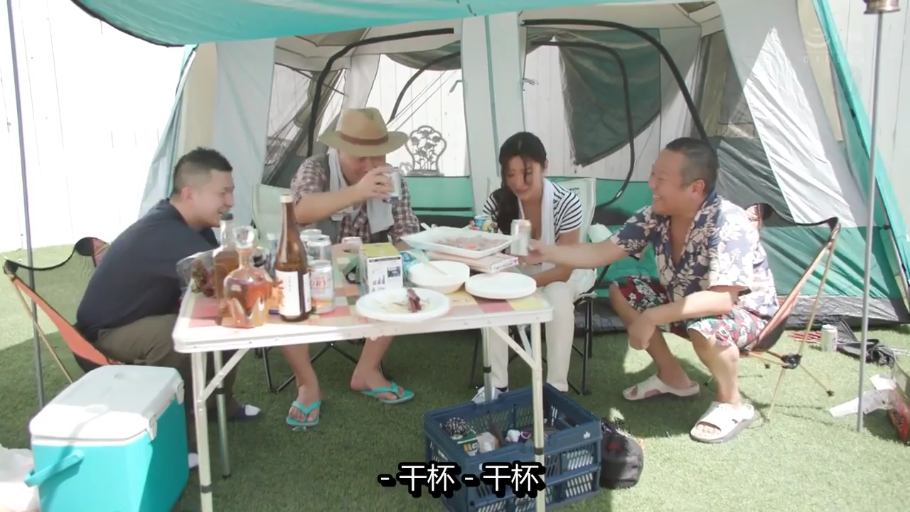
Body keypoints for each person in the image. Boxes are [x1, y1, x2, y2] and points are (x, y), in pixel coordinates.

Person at [523, 137, 779, 444]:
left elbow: (722, 299)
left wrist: (651, 317)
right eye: (653, 174)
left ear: (695, 188)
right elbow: (602, 251)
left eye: (662, 179)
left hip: (745, 314)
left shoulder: (727, 221)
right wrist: (546, 252)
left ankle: (732, 402)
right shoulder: (655, 215)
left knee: (706, 329)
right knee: (623, 290)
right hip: (683, 300)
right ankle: (674, 378)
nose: (651, 184)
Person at [76, 148, 262, 461]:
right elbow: (231, 275)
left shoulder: (195, 225)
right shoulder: (165, 232)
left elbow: (214, 279)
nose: (230, 201)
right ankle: (180, 439)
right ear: (190, 194)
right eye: (223, 193)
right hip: (106, 333)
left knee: (223, 318)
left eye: (231, 191)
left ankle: (219, 403)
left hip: (144, 316)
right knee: (175, 337)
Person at [284, 107, 419, 427]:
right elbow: (300, 210)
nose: (371, 166)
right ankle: (307, 384)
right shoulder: (316, 168)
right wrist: (357, 192)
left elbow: (408, 236)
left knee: (399, 277)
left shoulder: (392, 179)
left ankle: (367, 371)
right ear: (340, 150)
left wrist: (385, 257)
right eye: (361, 157)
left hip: (366, 270)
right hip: (315, 266)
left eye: (378, 156)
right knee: (289, 293)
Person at [470, 132, 595, 403]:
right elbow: (487, 252)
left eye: (527, 173)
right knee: (493, 293)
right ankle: (497, 385)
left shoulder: (566, 203)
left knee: (558, 297)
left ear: (544, 166)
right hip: (517, 270)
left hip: (563, 272)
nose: (518, 182)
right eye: (510, 174)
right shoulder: (499, 201)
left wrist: (523, 285)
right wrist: (477, 238)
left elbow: (565, 269)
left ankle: (555, 389)